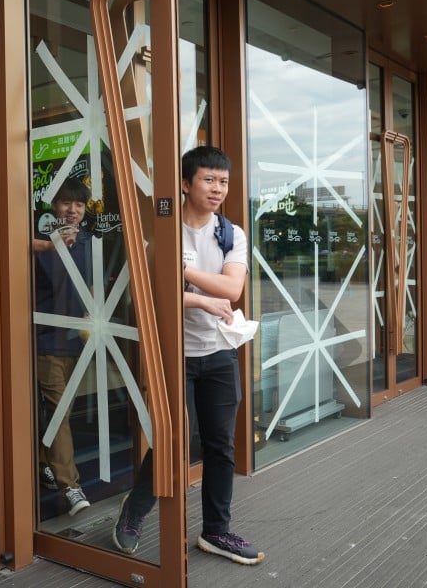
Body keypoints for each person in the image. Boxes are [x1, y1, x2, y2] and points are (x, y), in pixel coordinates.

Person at [111, 145, 265, 565]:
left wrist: (182, 275)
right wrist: (198, 299)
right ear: (185, 183)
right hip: (172, 355)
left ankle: (217, 531)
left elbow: (233, 292)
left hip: (217, 354)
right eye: (209, 180)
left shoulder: (231, 234)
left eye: (224, 181)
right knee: (172, 440)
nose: (218, 189)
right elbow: (148, 295)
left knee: (220, 446)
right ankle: (133, 514)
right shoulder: (162, 229)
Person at [33, 177, 93, 517]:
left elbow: (93, 285)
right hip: (45, 338)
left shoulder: (87, 242)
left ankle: (44, 463)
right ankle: (70, 486)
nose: (72, 210)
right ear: (53, 206)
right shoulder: (40, 241)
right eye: (66, 203)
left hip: (78, 339)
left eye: (79, 205)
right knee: (59, 412)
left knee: (59, 411)